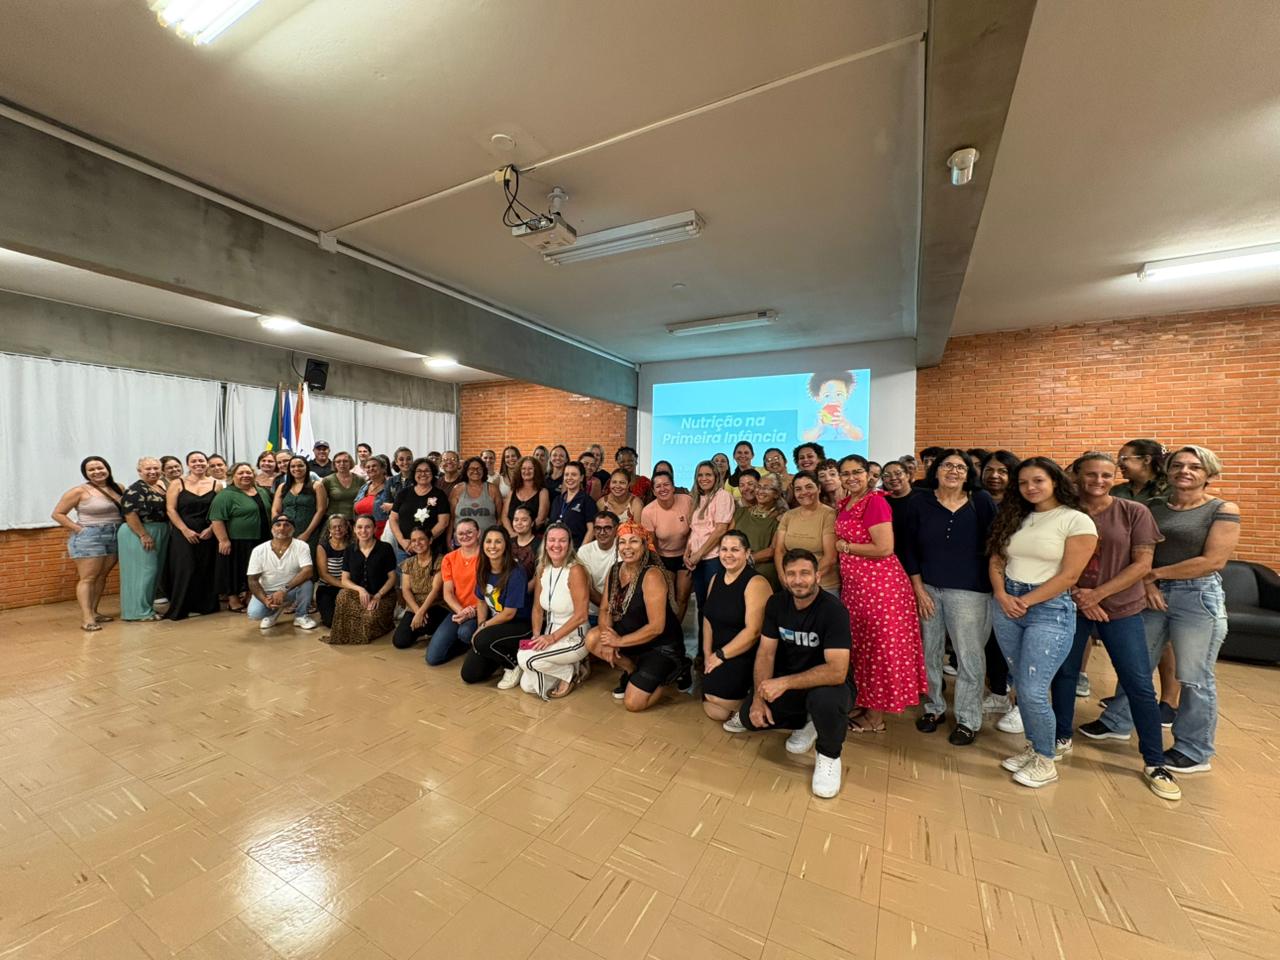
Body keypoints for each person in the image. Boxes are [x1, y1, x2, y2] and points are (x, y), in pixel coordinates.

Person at [1089, 445, 1240, 775]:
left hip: (1196, 597)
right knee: (1135, 664)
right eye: (1178, 465)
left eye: (1195, 467)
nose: (1185, 471)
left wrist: (1153, 575)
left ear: (1209, 474)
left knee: (1194, 677)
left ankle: (1194, 749)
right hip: (1151, 592)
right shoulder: (1154, 506)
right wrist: (1147, 584)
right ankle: (1118, 721)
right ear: (1168, 471)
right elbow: (1139, 552)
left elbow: (1212, 561)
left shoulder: (1221, 509)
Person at [1052, 454, 1179, 799]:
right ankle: (1061, 736)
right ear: (1077, 476)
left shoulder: (1133, 512)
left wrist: (1098, 595)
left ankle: (1154, 761)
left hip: (1121, 608)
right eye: (1091, 474)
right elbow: (1051, 559)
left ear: (1114, 477)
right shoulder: (1062, 511)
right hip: (1071, 605)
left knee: (1138, 683)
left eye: (1106, 475)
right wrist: (1079, 596)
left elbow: (1142, 565)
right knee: (1065, 674)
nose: (1098, 481)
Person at [988, 457, 1098, 789]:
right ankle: (1035, 748)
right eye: (1023, 483)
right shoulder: (1015, 516)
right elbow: (997, 559)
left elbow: (1070, 576)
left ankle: (1046, 760)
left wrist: (1025, 601)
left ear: (1054, 481)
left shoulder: (1076, 520)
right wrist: (1002, 594)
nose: (1030, 488)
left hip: (1049, 608)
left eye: (1038, 480)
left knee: (1033, 689)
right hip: (1007, 604)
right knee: (1021, 685)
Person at [722, 548, 854, 799]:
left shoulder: (834, 611)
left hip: (829, 686)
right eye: (791, 574)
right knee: (751, 718)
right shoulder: (777, 603)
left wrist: (783, 682)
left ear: (817, 576)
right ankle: (809, 721)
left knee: (825, 701)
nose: (798, 580)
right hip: (792, 682)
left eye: (805, 573)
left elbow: (837, 671)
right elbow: (765, 654)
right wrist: (758, 698)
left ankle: (829, 755)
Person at [899, 450, 997, 745]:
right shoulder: (919, 501)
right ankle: (934, 708)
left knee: (969, 656)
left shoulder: (981, 501)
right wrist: (918, 589)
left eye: (960, 467)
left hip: (970, 592)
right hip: (928, 589)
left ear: (968, 473)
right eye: (947, 465)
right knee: (929, 651)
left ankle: (968, 719)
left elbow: (995, 545)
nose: (953, 471)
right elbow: (908, 547)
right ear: (936, 470)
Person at [834, 455, 928, 733]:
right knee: (862, 648)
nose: (851, 477)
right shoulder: (846, 502)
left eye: (857, 472)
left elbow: (884, 547)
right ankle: (866, 702)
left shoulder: (875, 502)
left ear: (868, 475)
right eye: (845, 473)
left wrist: (845, 547)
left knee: (878, 650)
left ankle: (875, 717)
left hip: (880, 588)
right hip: (857, 588)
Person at [586, 521, 687, 712]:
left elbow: (656, 627)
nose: (627, 547)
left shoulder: (652, 575)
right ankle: (632, 670)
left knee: (633, 704)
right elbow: (605, 609)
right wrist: (607, 639)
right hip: (631, 638)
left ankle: (674, 671)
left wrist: (618, 641)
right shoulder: (615, 570)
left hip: (660, 645)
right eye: (622, 542)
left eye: (633, 541)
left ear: (645, 545)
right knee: (593, 638)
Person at [700, 531, 771, 721]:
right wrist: (707, 654)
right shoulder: (716, 578)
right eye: (724, 549)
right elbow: (707, 618)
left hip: (743, 653)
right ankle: (740, 706)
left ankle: (753, 701)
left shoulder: (756, 582)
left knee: (715, 701)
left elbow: (753, 631)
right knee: (715, 710)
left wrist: (720, 655)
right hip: (717, 652)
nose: (728, 554)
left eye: (735, 549)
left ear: (747, 553)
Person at [518, 523, 592, 698]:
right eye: (552, 540)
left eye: (562, 540)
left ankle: (570, 673)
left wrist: (552, 638)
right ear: (545, 543)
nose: (556, 545)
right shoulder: (543, 568)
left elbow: (581, 615)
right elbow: (537, 608)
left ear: (569, 544)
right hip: (550, 634)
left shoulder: (576, 570)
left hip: (575, 638)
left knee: (526, 659)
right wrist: (537, 635)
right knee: (527, 686)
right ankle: (571, 668)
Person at [52, 456, 124, 631]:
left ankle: (95, 611)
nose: (97, 472)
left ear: (107, 469)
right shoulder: (79, 491)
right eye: (91, 470)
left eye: (100, 468)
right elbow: (58, 514)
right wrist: (79, 529)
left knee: (102, 576)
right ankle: (87, 618)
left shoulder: (119, 488)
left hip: (115, 535)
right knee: (88, 578)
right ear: (85, 473)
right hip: (90, 537)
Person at [459, 527, 533, 686]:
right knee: (469, 675)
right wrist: (481, 624)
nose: (492, 546)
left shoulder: (516, 572)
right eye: (488, 541)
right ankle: (504, 652)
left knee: (481, 639)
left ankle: (513, 665)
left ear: (506, 545)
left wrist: (483, 628)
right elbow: (481, 601)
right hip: (497, 625)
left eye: (498, 541)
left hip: (520, 624)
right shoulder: (483, 567)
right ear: (483, 544)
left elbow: (509, 613)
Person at [978, 450, 1021, 718]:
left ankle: (1019, 702)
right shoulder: (975, 500)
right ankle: (997, 692)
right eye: (990, 470)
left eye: (1003, 471)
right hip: (981, 581)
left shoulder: (1022, 506)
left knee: (1014, 645)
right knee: (991, 643)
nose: (995, 476)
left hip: (1016, 585)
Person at [164, 451, 222, 621]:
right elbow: (171, 509)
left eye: (201, 460)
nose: (198, 464)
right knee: (185, 568)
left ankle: (205, 606)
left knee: (206, 567)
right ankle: (181, 607)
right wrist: (185, 530)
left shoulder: (217, 484)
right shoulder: (177, 483)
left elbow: (220, 510)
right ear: (188, 464)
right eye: (194, 461)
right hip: (183, 532)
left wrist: (211, 529)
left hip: (208, 532)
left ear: (207, 463)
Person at [686, 460, 736, 657]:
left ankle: (717, 652)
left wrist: (699, 554)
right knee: (702, 607)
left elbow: (720, 530)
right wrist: (688, 551)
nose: (704, 478)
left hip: (713, 559)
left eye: (708, 474)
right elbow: (695, 530)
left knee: (714, 606)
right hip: (697, 560)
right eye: (700, 475)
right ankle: (702, 651)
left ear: (716, 477)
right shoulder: (698, 498)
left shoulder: (722, 496)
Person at [209, 462, 272, 612]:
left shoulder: (261, 491)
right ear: (232, 476)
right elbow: (216, 519)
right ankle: (233, 600)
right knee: (234, 570)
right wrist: (223, 540)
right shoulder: (225, 495)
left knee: (254, 569)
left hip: (261, 538)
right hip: (237, 540)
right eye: (241, 473)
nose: (245, 475)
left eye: (248, 472)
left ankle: (250, 596)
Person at [324, 515, 397, 644]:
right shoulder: (349, 550)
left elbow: (392, 578)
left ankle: (385, 624)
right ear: (354, 529)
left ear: (374, 529)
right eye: (359, 527)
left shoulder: (385, 548)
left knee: (369, 620)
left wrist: (378, 595)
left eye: (368, 527)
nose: (363, 531)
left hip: (382, 596)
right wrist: (360, 590)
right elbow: (345, 580)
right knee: (342, 595)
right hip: (359, 595)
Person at [117, 457, 170, 622]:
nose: (152, 471)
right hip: (140, 531)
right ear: (139, 471)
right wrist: (143, 535)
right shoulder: (135, 489)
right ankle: (137, 612)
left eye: (156, 468)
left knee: (154, 572)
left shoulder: (159, 486)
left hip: (159, 529)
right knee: (144, 572)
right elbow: (129, 513)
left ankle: (146, 607)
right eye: (148, 469)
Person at [425, 518, 483, 665]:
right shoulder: (449, 558)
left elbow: (491, 592)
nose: (465, 536)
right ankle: (463, 646)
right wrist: (462, 612)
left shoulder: (487, 556)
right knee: (433, 658)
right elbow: (448, 593)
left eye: (469, 532)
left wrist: (473, 611)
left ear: (478, 533)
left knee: (465, 633)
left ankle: (470, 641)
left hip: (481, 610)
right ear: (456, 536)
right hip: (458, 610)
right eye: (460, 533)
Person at [245, 515, 318, 630]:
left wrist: (283, 590)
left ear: (293, 529)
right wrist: (265, 600)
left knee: (307, 583)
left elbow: (308, 571)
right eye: (278, 525)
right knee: (255, 613)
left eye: (286, 525)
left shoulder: (301, 546)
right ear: (272, 529)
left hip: (291, 589)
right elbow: (252, 580)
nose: (282, 528)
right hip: (267, 592)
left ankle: (301, 616)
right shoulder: (258, 550)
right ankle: (274, 611)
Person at [640, 472, 694, 620]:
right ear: (653, 491)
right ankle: (665, 627)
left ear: (673, 486)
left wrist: (689, 552)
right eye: (658, 486)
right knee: (667, 596)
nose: (663, 489)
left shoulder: (687, 500)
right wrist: (657, 564)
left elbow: (695, 529)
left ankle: (677, 627)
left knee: (682, 596)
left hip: (686, 554)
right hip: (663, 557)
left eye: (666, 484)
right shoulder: (648, 512)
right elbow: (650, 543)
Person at [775, 471, 837, 594]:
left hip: (823, 586)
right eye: (798, 489)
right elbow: (779, 550)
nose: (803, 492)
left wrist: (805, 580)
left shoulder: (829, 515)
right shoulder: (788, 515)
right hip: (792, 585)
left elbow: (830, 557)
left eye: (809, 487)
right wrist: (783, 576)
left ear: (819, 488)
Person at [393, 528, 448, 649]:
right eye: (413, 540)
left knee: (428, 623)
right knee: (400, 641)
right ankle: (422, 629)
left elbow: (436, 590)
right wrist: (417, 611)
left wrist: (422, 612)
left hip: (436, 605)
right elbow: (406, 590)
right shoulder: (408, 563)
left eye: (421, 539)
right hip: (415, 606)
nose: (417, 543)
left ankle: (433, 630)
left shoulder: (441, 560)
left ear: (430, 540)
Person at [389, 458, 450, 560]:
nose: (423, 474)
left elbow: (443, 522)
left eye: (427, 471)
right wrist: (402, 540)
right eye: (419, 471)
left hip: (431, 549)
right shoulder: (403, 493)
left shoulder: (440, 495)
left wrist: (423, 542)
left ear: (433, 473)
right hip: (405, 549)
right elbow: (393, 519)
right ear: (413, 474)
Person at [734, 471, 781, 589]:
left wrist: (745, 560)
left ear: (776, 494)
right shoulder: (740, 512)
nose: (760, 491)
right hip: (734, 569)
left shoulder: (780, 518)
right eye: (759, 487)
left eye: (766, 488)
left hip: (761, 576)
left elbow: (773, 550)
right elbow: (727, 538)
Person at [577, 511, 618, 623]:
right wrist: (608, 609)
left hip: (619, 613)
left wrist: (613, 611)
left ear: (616, 529)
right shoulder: (584, 551)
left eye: (607, 528)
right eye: (598, 528)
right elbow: (586, 588)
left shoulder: (623, 548)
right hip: (590, 613)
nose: (602, 532)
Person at [272, 456, 322, 549]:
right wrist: (278, 528)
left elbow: (321, 510)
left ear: (307, 467)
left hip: (309, 530)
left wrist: (307, 533)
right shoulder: (282, 487)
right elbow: (275, 510)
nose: (296, 469)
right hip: (286, 530)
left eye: (300, 466)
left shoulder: (316, 486)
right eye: (293, 466)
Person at [547, 460, 597, 546]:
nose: (569, 478)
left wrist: (581, 551)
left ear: (581, 478)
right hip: (556, 548)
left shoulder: (587, 501)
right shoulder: (557, 500)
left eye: (574, 475)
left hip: (575, 549)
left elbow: (591, 530)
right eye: (566, 474)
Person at [450, 456, 502, 537]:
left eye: (479, 468)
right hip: (462, 540)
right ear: (466, 471)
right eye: (471, 468)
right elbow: (451, 519)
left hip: (488, 541)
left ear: (484, 470)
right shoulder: (457, 489)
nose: (475, 471)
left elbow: (500, 517)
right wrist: (448, 539)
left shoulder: (493, 489)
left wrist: (496, 536)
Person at [315, 514, 350, 627]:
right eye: (334, 527)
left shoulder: (353, 545)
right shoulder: (323, 546)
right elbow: (324, 574)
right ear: (329, 530)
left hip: (348, 588)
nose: (337, 529)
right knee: (331, 622)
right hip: (327, 588)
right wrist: (344, 585)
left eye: (341, 526)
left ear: (346, 528)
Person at [879, 460, 917, 565]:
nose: (893, 478)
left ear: (908, 476)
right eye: (887, 475)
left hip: (921, 560)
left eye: (898, 473)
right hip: (891, 562)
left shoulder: (924, 497)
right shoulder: (880, 502)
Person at [1113, 438, 1169, 504]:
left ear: (1146, 460)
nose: (1119, 464)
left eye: (1124, 459)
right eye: (1119, 460)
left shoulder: (1169, 491)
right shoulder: (1115, 491)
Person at [503, 456, 550, 534]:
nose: (526, 471)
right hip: (511, 536)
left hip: (533, 536)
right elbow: (504, 516)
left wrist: (524, 535)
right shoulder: (512, 491)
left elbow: (541, 519)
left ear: (536, 471)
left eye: (530, 469)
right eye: (523, 469)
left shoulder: (543, 492)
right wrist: (512, 533)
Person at [315, 451, 360, 520]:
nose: (342, 464)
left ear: (350, 463)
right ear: (334, 464)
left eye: (345, 461)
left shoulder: (360, 480)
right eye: (338, 462)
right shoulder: (328, 480)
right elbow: (320, 503)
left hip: (355, 520)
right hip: (333, 521)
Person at [353, 455, 391, 538]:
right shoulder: (364, 487)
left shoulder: (392, 486)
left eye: (374, 466)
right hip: (363, 532)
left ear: (383, 468)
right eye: (368, 467)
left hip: (383, 532)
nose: (371, 469)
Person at [509, 505, 541, 589]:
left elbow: (539, 575)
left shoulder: (540, 545)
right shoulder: (508, 542)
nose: (519, 523)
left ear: (532, 523)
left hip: (529, 591)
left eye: (524, 520)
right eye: (516, 520)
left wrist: (523, 592)